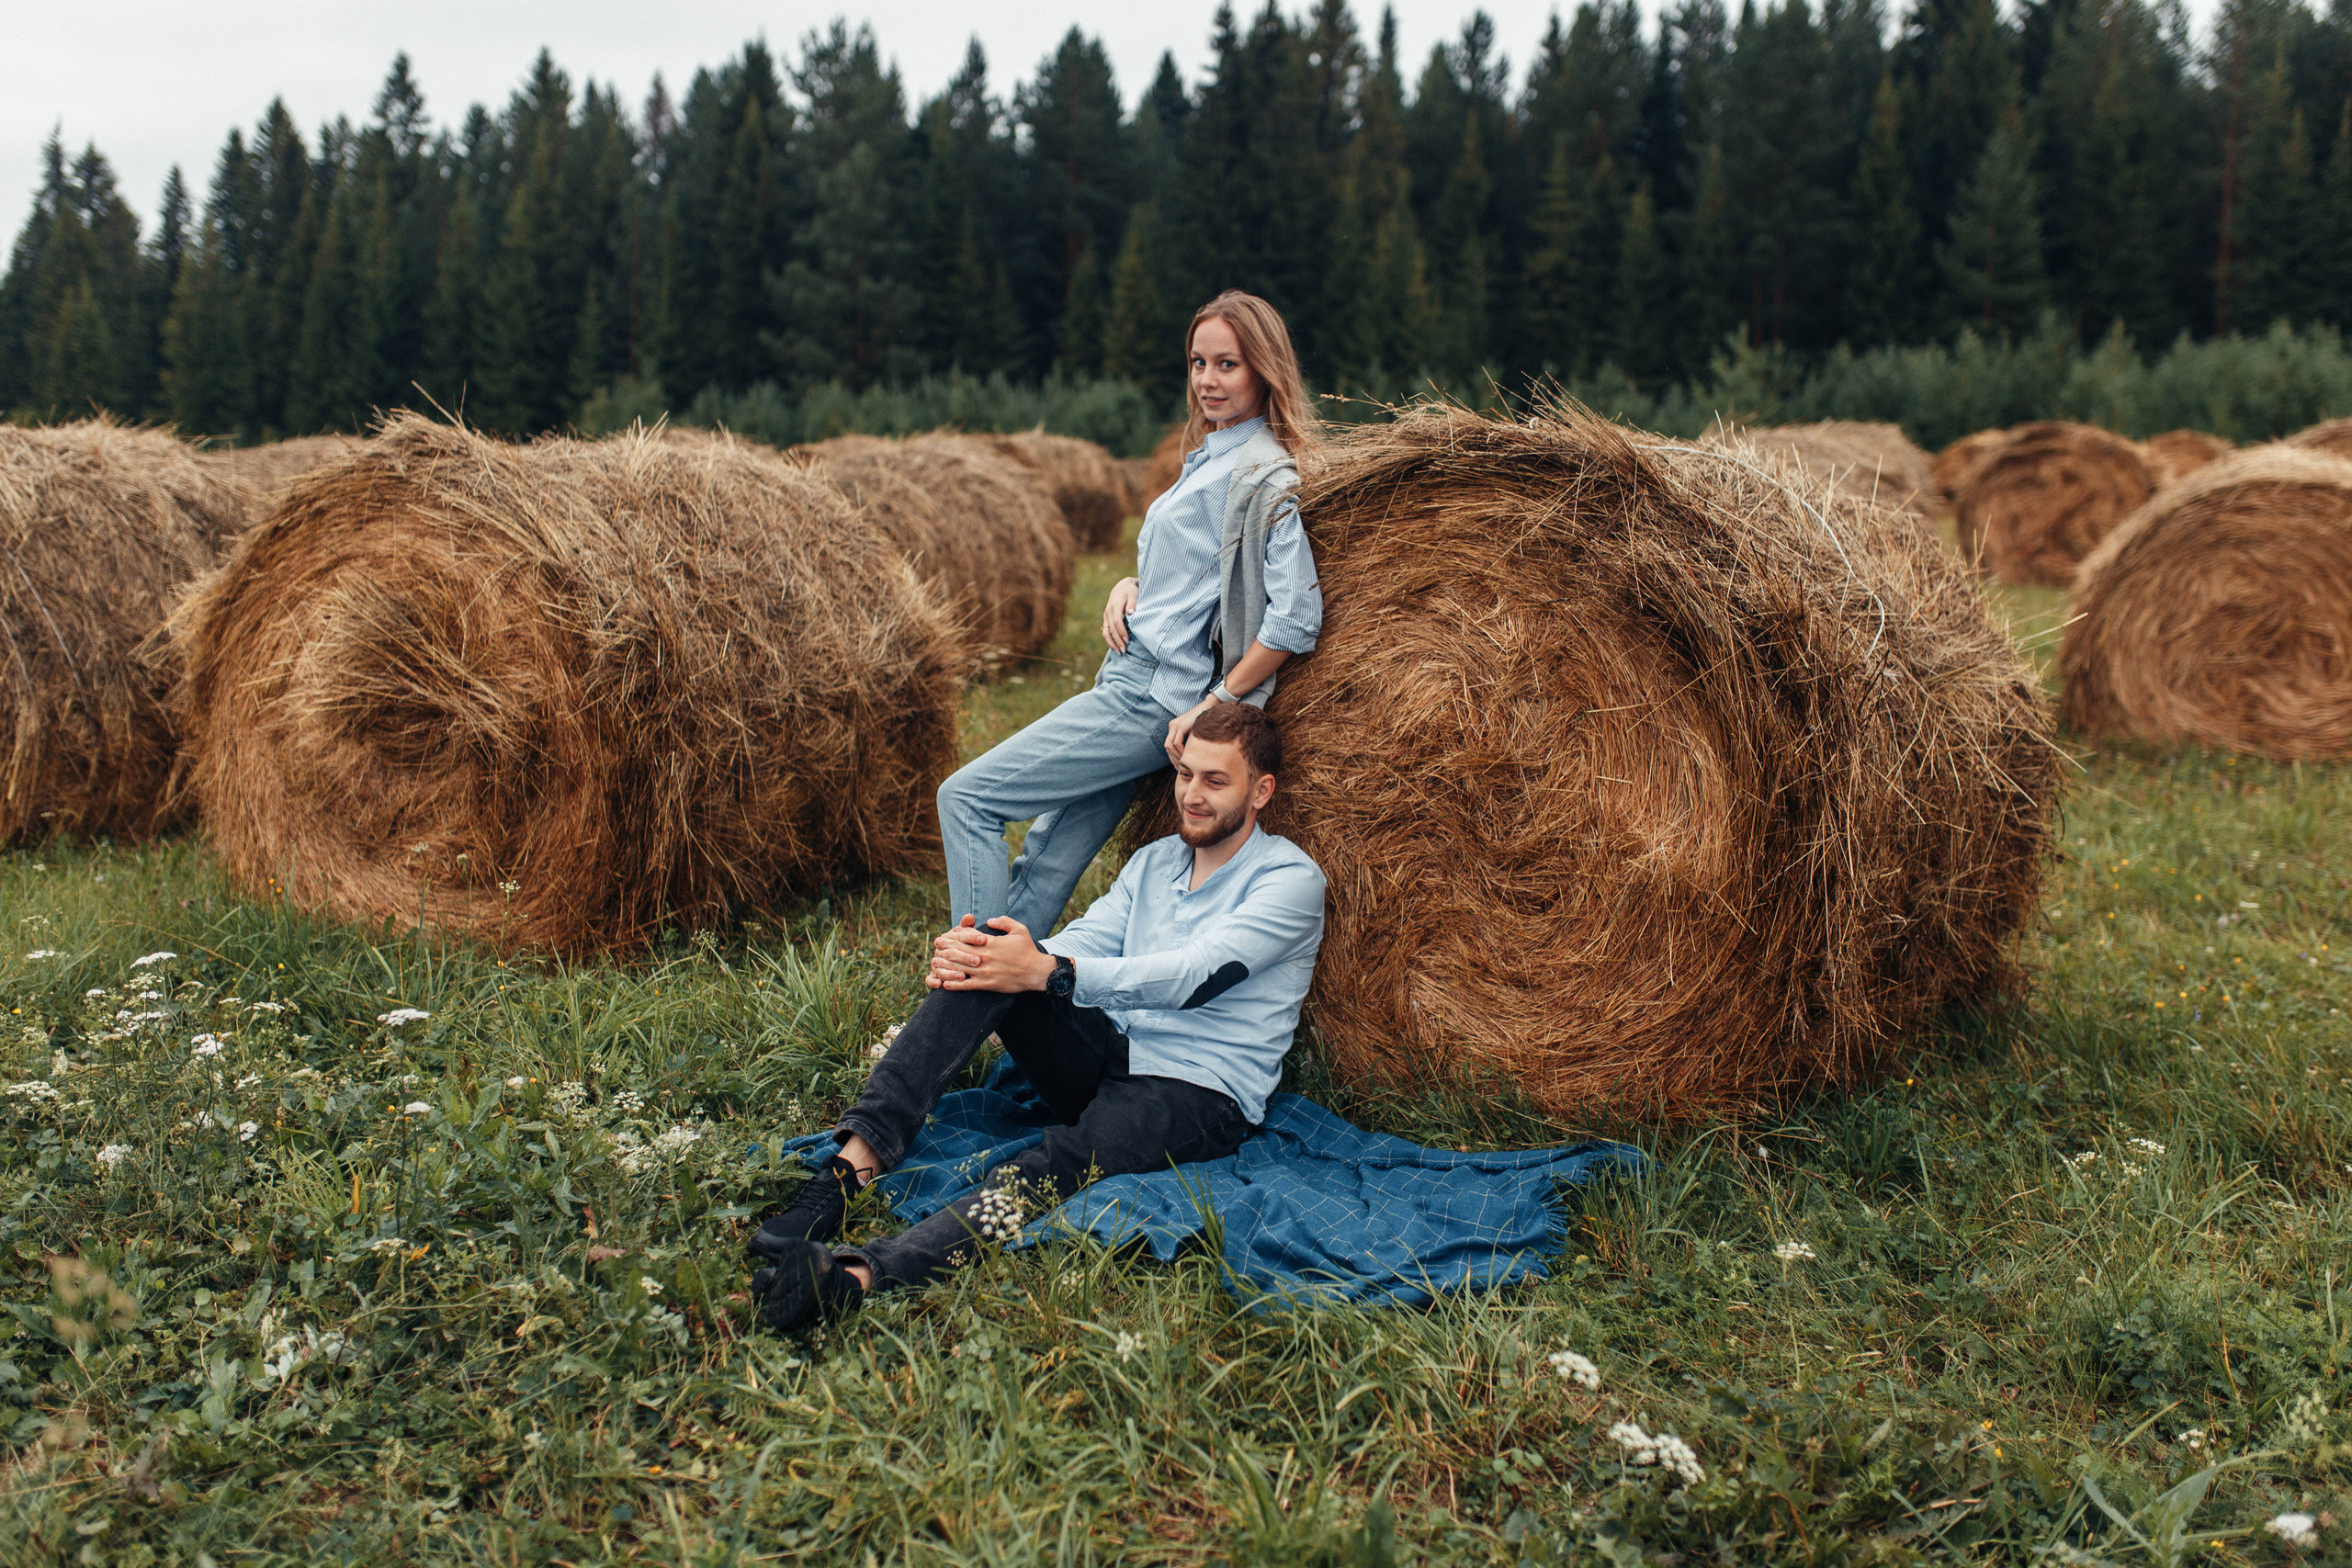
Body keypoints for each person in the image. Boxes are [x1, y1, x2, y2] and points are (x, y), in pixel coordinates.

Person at [748, 701, 1323, 1332]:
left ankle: (859, 1276)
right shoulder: (1155, 862)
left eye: (1215, 781)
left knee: (1055, 1163)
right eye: (1186, 774)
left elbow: (1194, 974)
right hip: (1112, 1051)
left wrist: (1051, 971)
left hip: (1198, 1092)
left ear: (1260, 790)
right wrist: (998, 954)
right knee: (997, 948)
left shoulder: (1290, 881)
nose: (1191, 793)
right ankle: (848, 1167)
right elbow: (1084, 940)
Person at [934, 290, 1322, 942]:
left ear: (1264, 368)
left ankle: (955, 994)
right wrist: (1130, 582)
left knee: (968, 798)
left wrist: (1216, 703)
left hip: (1148, 695)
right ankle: (978, 1017)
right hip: (1133, 680)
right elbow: (1199, 572)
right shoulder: (1212, 458)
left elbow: (1295, 616)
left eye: (1227, 364)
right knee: (1046, 864)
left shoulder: (1263, 476)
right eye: (1199, 363)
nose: (1207, 380)